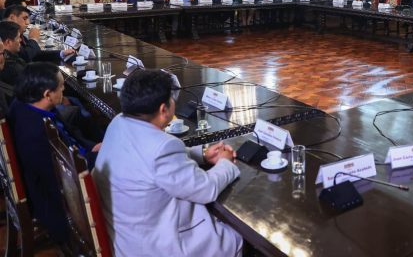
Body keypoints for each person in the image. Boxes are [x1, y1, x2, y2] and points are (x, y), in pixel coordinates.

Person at [93, 70, 243, 257]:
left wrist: (203, 155)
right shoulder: (162, 147)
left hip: (127, 236)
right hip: (156, 246)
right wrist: (226, 163)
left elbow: (148, 154)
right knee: (235, 237)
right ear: (164, 109)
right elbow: (206, 189)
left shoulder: (119, 122)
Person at [8, 62, 101, 245]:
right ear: (47, 94)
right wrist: (96, 156)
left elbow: (73, 138)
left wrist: (92, 148)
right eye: (61, 86)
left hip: (74, 163)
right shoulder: (35, 133)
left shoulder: (25, 106)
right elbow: (62, 176)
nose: (64, 89)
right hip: (62, 199)